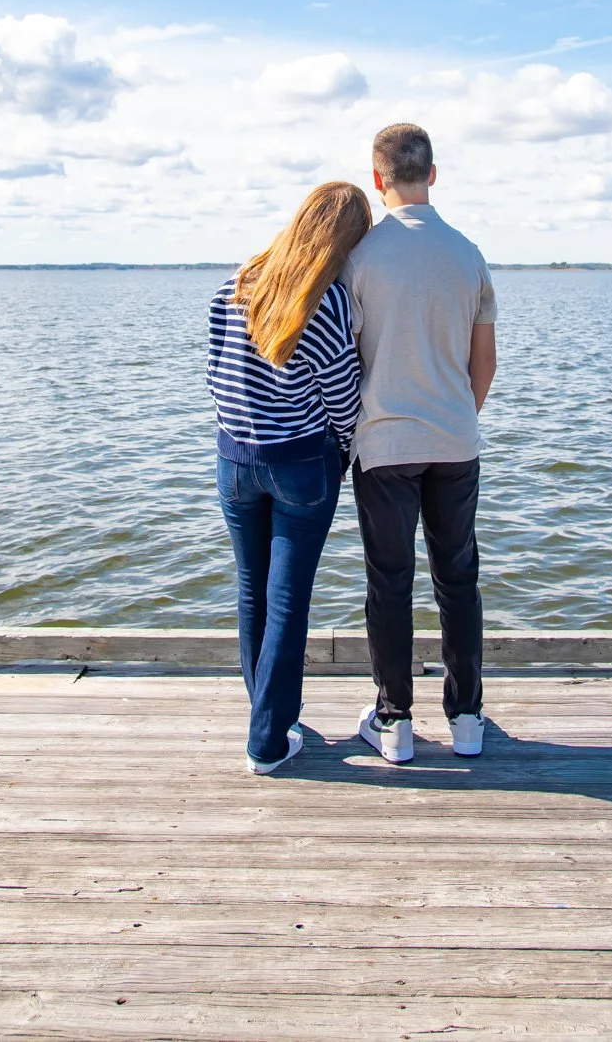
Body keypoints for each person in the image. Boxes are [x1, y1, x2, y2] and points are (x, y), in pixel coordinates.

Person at [341, 124, 497, 764]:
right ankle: (465, 719)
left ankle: (395, 721)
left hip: (383, 444)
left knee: (389, 582)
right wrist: (457, 413)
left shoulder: (359, 259)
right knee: (458, 579)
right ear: (433, 173)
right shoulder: (468, 254)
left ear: (378, 180)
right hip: (454, 438)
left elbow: (343, 360)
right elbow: (483, 362)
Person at [207, 182, 371, 774]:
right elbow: (342, 397)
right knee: (287, 602)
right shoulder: (327, 300)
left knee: (252, 591)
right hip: (301, 463)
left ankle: (271, 716)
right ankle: (268, 741)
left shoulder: (238, 282)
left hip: (234, 459)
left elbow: (213, 372)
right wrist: (345, 453)